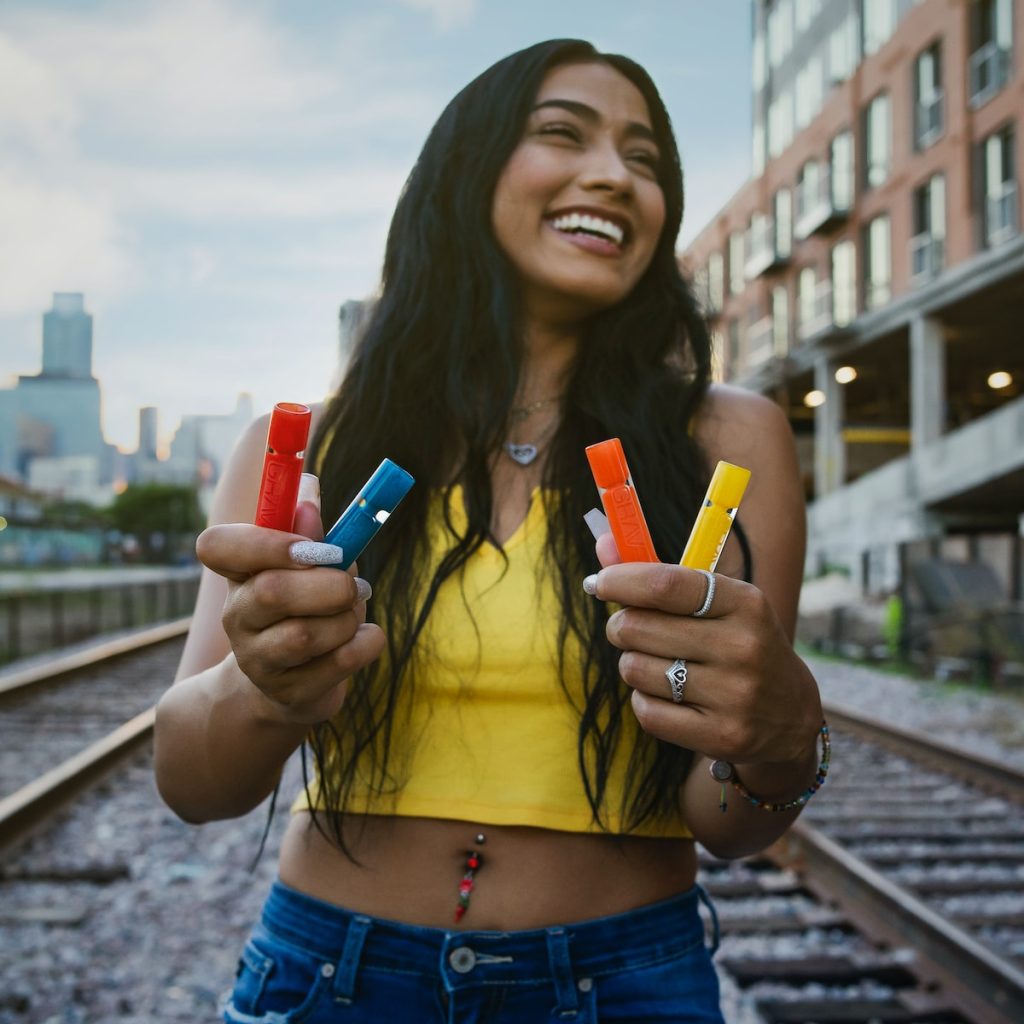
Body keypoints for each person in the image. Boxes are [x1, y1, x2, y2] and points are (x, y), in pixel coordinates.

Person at [154, 38, 825, 1023]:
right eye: (563, 134)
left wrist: (782, 735)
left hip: (622, 981)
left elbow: (725, 822)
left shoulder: (729, 440)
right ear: (462, 175)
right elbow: (192, 780)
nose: (615, 175)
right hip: (329, 978)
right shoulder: (307, 450)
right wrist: (265, 682)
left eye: (645, 161)